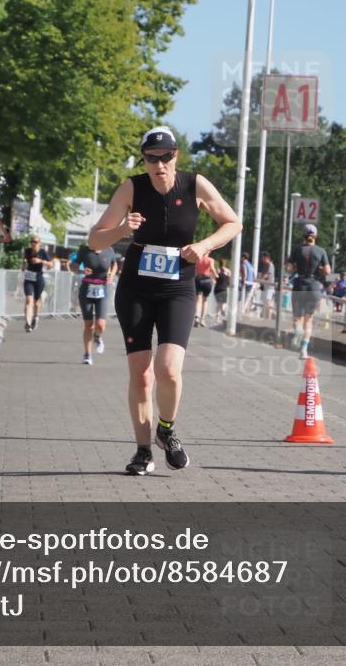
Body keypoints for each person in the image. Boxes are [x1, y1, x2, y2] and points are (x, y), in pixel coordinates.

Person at [88, 126, 242, 476]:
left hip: (178, 288)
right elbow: (95, 241)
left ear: (176, 155)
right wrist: (122, 229)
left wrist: (203, 246)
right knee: (142, 376)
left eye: (166, 156)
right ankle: (143, 451)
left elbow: (233, 223)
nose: (159, 164)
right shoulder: (131, 188)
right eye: (151, 158)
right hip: (137, 289)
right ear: (143, 159)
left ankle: (166, 431)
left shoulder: (194, 184)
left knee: (169, 369)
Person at [285, 224, 332, 360]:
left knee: (297, 318)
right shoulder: (321, 251)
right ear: (315, 236)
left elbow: (288, 268)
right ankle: (304, 350)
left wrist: (293, 266)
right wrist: (321, 269)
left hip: (299, 284)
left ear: (303, 236)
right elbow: (328, 272)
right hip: (314, 287)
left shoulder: (296, 250)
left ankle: (298, 333)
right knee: (309, 320)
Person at [74, 240, 118, 364]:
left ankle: (97, 337)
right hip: (87, 289)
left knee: (100, 325)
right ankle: (87, 355)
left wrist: (112, 274)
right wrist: (82, 271)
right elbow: (74, 266)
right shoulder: (84, 250)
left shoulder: (109, 250)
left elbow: (114, 265)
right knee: (89, 325)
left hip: (103, 289)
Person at [22, 236, 54, 332]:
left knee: (36, 301)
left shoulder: (42, 252)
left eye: (35, 242)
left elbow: (51, 264)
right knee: (28, 300)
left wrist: (41, 261)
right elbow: (23, 262)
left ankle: (35, 317)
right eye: (32, 242)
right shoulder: (27, 251)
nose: (33, 243)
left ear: (40, 243)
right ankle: (27, 323)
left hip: (39, 279)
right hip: (28, 278)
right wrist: (23, 265)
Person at [194, 253, 218, 327]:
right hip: (206, 280)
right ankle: (202, 319)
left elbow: (194, 270)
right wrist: (216, 275)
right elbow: (212, 268)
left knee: (198, 299)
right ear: (209, 252)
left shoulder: (197, 259)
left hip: (198, 279)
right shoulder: (210, 260)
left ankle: (197, 317)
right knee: (205, 300)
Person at [213, 258, 232, 324]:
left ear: (219, 263)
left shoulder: (217, 270)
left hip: (217, 289)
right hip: (224, 289)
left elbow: (214, 279)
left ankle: (217, 318)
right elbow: (229, 280)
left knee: (218, 303)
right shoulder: (228, 271)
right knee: (223, 304)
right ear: (225, 264)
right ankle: (223, 317)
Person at [258, 252, 276, 319]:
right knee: (266, 302)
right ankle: (266, 317)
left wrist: (259, 281)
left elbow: (266, 275)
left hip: (269, 287)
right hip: (266, 287)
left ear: (266, 258)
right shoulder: (266, 265)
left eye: (263, 257)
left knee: (268, 303)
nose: (261, 259)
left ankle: (268, 318)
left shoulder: (269, 265)